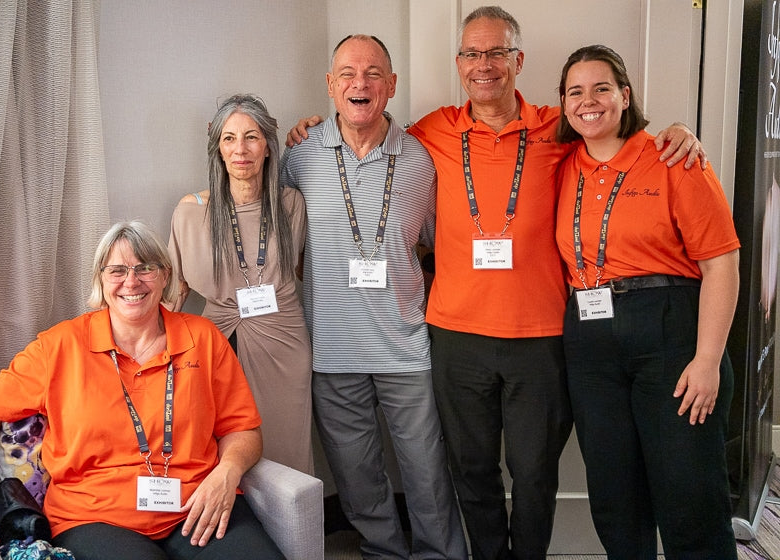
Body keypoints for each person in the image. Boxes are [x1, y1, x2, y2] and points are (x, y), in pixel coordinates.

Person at [286, 8, 704, 559]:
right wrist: (305, 129)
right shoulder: (431, 132)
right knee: (471, 471)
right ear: (459, 64)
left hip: (541, 336)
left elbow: (611, 129)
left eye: (497, 53)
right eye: (472, 54)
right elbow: (363, 148)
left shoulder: (558, 125)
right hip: (456, 337)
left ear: (518, 60)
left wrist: (673, 132)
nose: (484, 65)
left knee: (533, 475)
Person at [0, 221, 284, 560]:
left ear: (165, 276)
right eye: (116, 270)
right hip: (94, 518)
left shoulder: (204, 338)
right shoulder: (58, 347)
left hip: (198, 505)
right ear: (100, 280)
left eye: (145, 267)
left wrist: (227, 472)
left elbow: (242, 428)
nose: (131, 281)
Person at [280, 35, 467, 560]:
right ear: (330, 85)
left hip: (406, 344)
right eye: (347, 73)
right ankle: (384, 551)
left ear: (391, 84)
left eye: (372, 73)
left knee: (426, 470)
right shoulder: (301, 156)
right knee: (356, 473)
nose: (359, 84)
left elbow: (438, 243)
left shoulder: (420, 159)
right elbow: (285, 245)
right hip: (332, 346)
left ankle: (441, 554)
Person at [555, 44, 739, 558]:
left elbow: (721, 263)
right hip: (590, 343)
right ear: (564, 104)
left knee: (689, 494)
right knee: (615, 496)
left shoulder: (672, 157)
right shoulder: (561, 162)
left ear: (625, 95)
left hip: (670, 333)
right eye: (575, 91)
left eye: (601, 88)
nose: (588, 101)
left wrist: (707, 361)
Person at [168, 94, 313, 475]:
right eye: (229, 138)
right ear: (217, 147)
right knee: (224, 452)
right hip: (217, 344)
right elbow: (172, 297)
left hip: (285, 343)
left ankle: (294, 531)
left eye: (251, 137)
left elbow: (304, 271)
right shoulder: (190, 211)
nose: (240, 149)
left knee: (288, 454)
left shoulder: (291, 204)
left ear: (268, 145)